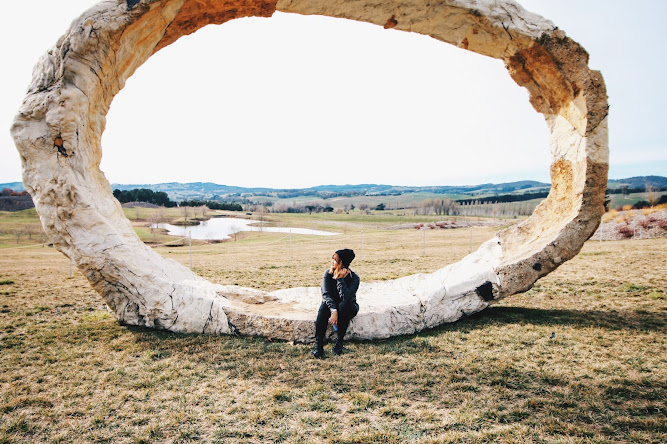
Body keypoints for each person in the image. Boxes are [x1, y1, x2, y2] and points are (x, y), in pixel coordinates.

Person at [313, 248, 360, 358]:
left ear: (341, 263)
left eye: (335, 260)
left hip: (348, 307)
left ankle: (339, 342)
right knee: (324, 305)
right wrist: (334, 311)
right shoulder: (328, 274)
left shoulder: (354, 278)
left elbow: (347, 298)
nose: (332, 262)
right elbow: (326, 294)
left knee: (343, 305)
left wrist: (340, 280)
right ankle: (319, 344)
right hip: (332, 306)